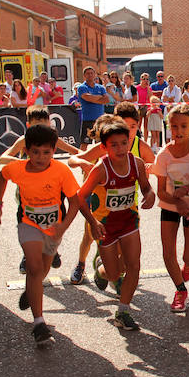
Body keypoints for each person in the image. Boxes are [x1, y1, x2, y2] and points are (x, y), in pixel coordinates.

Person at [0, 124, 85, 345]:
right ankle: (39, 323)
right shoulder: (18, 168)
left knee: (42, 270)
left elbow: (75, 201)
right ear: (26, 151)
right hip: (28, 224)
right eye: (35, 152)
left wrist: (63, 226)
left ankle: (31, 292)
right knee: (34, 268)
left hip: (53, 228)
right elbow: (2, 177)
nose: (41, 157)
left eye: (46, 152)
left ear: (54, 151)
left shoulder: (61, 171)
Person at [78, 118, 155, 331]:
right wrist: (93, 222)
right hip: (106, 226)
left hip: (130, 222)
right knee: (113, 274)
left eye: (124, 142)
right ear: (104, 147)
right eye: (114, 145)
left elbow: (146, 187)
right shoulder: (101, 169)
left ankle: (123, 311)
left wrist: (150, 195)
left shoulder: (137, 163)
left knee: (134, 266)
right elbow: (79, 196)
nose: (120, 148)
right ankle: (102, 271)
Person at [68, 102, 156, 287]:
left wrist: (149, 177)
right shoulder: (107, 146)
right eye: (125, 126)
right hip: (100, 206)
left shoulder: (141, 147)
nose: (129, 131)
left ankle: (109, 273)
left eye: (133, 127)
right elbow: (74, 158)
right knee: (89, 237)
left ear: (138, 126)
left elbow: (157, 165)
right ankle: (81, 263)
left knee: (120, 253)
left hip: (128, 207)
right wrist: (83, 164)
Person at [0, 105, 81, 273]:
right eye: (37, 125)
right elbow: (3, 158)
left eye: (44, 125)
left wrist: (86, 160)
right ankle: (27, 255)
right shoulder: (24, 140)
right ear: (29, 125)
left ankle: (53, 249)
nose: (42, 129)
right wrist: (22, 164)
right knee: (28, 221)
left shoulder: (53, 138)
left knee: (55, 218)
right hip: (28, 188)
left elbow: (75, 151)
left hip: (52, 187)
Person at [153, 104, 189, 312]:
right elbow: (161, 192)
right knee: (168, 253)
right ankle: (180, 290)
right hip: (171, 206)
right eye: (174, 126)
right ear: (168, 127)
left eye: (184, 126)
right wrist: (178, 202)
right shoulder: (164, 155)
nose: (179, 131)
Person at [76, 66, 108, 150]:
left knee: (101, 144)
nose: (90, 75)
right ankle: (81, 161)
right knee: (84, 144)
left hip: (100, 120)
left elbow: (106, 100)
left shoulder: (100, 87)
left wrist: (92, 99)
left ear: (94, 75)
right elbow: (86, 97)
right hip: (88, 120)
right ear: (84, 75)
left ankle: (100, 161)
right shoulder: (82, 87)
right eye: (88, 73)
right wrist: (99, 97)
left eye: (91, 73)